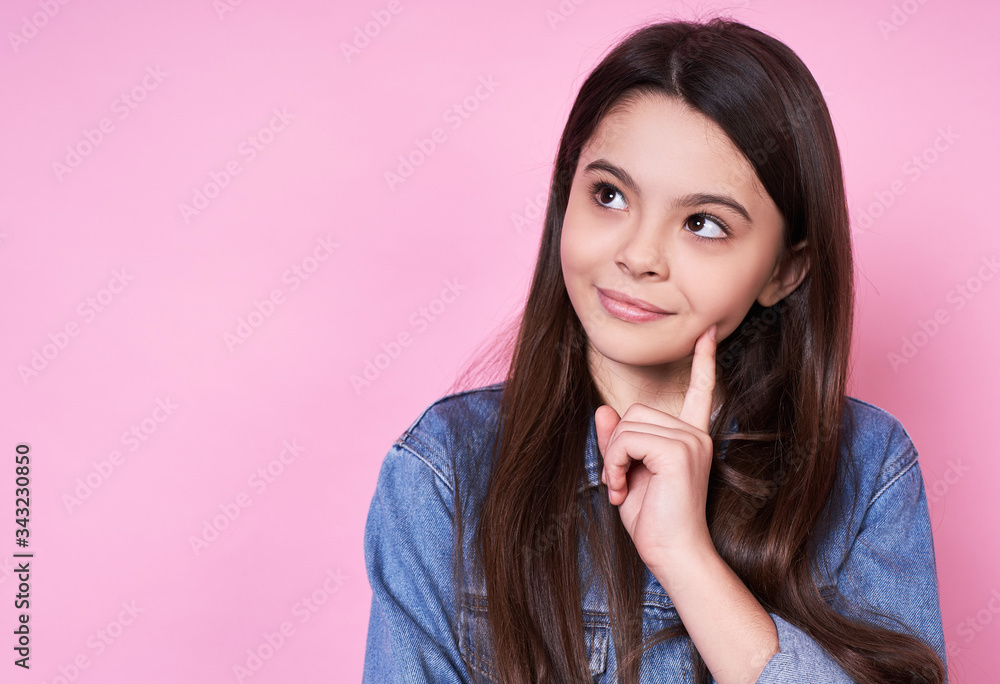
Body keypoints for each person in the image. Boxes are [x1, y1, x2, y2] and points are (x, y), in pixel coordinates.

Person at [363, 17, 947, 684]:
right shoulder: (446, 470)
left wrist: (687, 560)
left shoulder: (867, 469)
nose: (638, 255)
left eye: (703, 223)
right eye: (609, 195)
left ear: (785, 270)